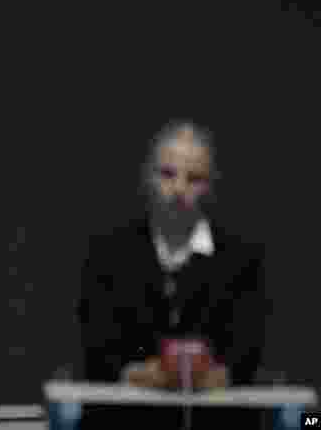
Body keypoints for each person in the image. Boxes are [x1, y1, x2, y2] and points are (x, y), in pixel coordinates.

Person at [76, 121, 267, 430]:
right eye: (167, 174)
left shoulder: (242, 260)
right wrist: (148, 375)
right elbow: (99, 349)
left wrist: (204, 375)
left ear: (212, 185)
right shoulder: (108, 254)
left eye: (194, 179)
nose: (178, 189)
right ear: (146, 177)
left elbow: (244, 354)